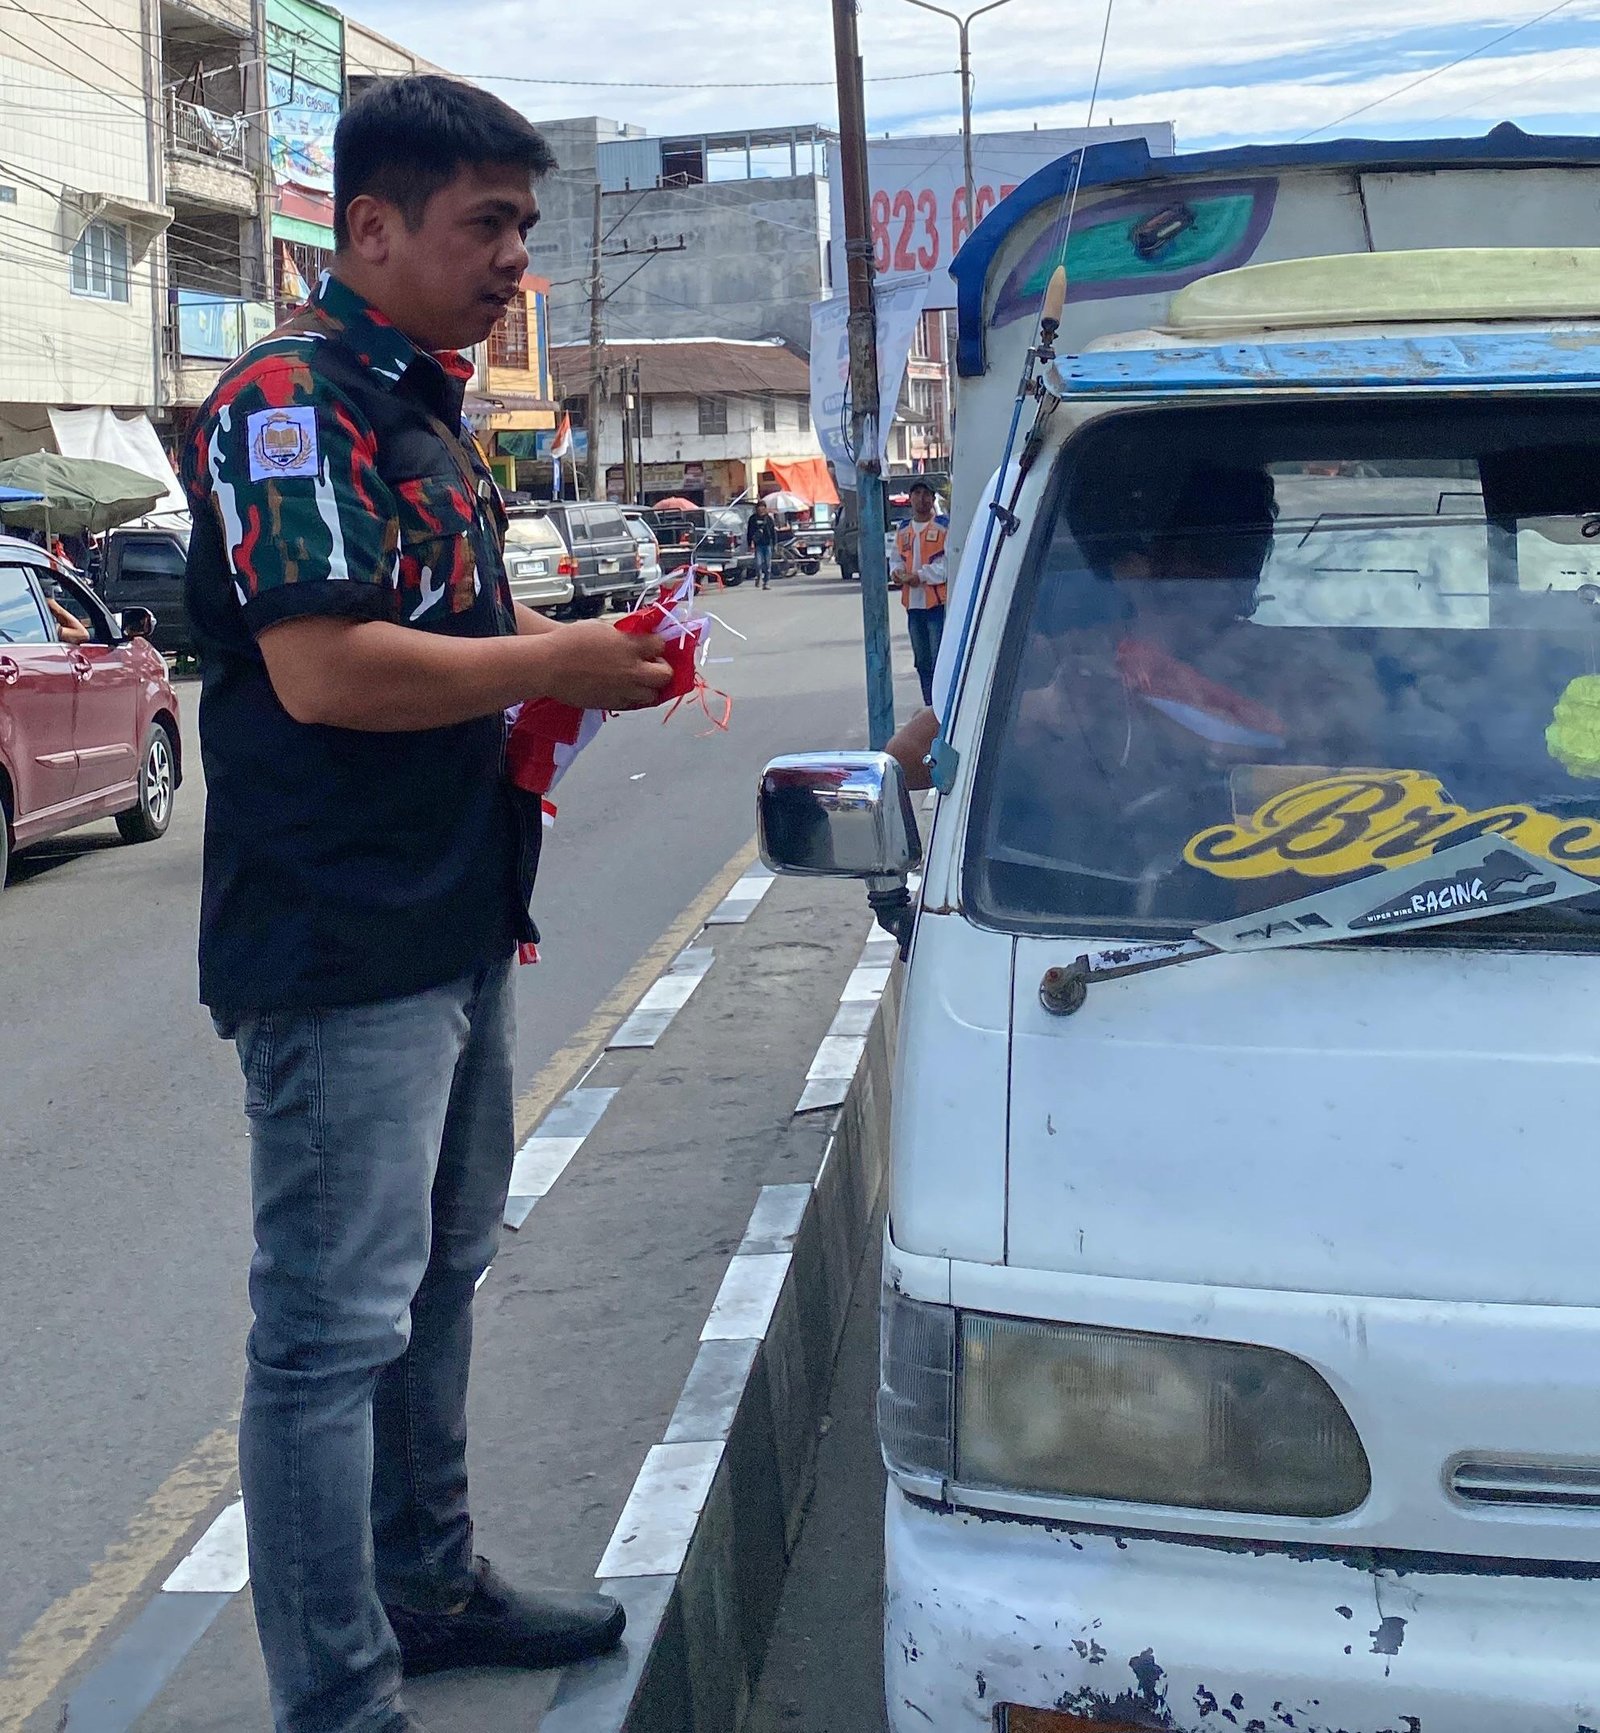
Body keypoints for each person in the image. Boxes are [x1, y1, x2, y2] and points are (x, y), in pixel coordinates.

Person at [181, 77, 672, 1733]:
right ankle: (337, 1689)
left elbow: (441, 654)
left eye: (527, 227)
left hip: (452, 907)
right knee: (329, 1324)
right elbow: (323, 672)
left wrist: (553, 688)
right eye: (488, 223)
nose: (516, 258)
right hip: (336, 936)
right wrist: (560, 657)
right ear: (370, 227)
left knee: (441, 1271)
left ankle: (431, 1582)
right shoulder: (282, 401)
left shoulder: (417, 402)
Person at [891, 480, 948, 706]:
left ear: (932, 499)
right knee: (922, 661)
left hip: (935, 605)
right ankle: (929, 705)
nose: (921, 498)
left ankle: (942, 706)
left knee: (939, 661)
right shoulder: (903, 529)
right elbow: (896, 558)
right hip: (913, 607)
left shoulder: (943, 527)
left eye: (926, 494)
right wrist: (897, 573)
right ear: (910, 498)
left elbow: (946, 566)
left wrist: (920, 576)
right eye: (917, 493)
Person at [747, 498, 778, 588]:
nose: (761, 509)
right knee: (758, 564)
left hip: (767, 544)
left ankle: (766, 582)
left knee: (768, 565)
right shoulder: (752, 519)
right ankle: (759, 577)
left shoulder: (768, 519)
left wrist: (775, 544)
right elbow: (749, 532)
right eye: (759, 507)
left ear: (765, 508)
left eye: (762, 507)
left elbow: (773, 532)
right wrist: (750, 544)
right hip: (758, 545)